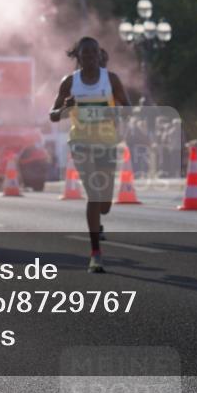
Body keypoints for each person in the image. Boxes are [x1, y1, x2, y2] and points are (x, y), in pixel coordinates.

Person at [49, 37, 131, 273]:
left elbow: (128, 107)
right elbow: (53, 115)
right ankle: (95, 254)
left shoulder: (111, 79)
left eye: (93, 53)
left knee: (104, 204)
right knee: (94, 195)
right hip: (81, 143)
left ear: (99, 54)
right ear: (79, 57)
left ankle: (100, 219)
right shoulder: (70, 83)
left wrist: (117, 112)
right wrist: (65, 106)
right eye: (85, 54)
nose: (90, 58)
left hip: (106, 143)